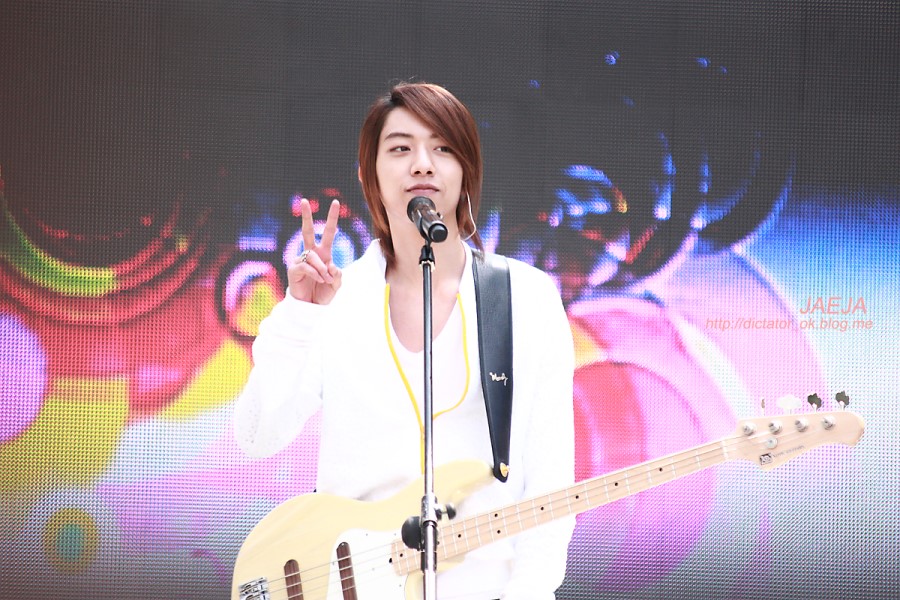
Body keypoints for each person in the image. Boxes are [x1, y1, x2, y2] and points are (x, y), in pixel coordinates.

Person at [233, 81, 575, 599]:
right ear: (368, 173)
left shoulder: (525, 297)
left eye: (443, 148)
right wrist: (301, 314)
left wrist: (528, 592)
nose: (422, 164)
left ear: (467, 171)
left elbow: (550, 479)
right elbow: (257, 436)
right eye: (399, 148)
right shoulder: (338, 299)